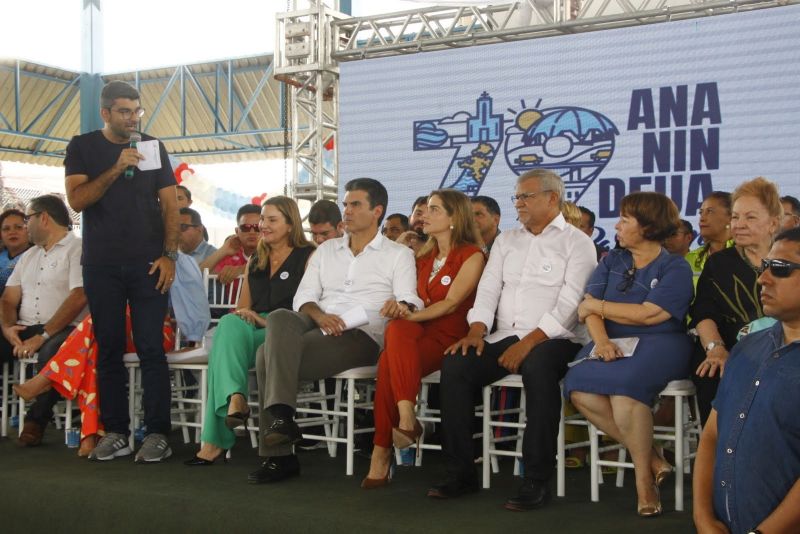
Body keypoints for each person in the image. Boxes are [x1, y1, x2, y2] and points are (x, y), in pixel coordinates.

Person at [428, 169, 596, 511]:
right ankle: (461, 473)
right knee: (456, 365)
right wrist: (476, 330)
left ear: (552, 198)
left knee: (538, 369)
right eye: (516, 197)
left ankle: (535, 479)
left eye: (526, 196)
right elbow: (489, 289)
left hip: (556, 337)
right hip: (504, 334)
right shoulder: (507, 241)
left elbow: (570, 303)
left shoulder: (577, 242)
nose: (518, 203)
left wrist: (531, 340)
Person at [248, 178, 423, 484]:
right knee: (279, 317)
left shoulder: (398, 254)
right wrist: (319, 315)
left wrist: (400, 304)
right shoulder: (328, 249)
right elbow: (304, 297)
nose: (347, 210)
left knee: (265, 356)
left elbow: (410, 297)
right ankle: (283, 419)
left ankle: (280, 452)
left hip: (362, 333)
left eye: (355, 204)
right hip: (319, 321)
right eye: (345, 204)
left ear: (377, 211)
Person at [65, 80, 179, 463]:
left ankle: (158, 432)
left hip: (149, 263)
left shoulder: (151, 146)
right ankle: (116, 432)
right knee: (109, 348)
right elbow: (78, 200)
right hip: (101, 265)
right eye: (125, 111)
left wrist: (169, 255)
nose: (133, 119)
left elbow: (170, 205)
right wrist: (116, 167)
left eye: (137, 111)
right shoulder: (82, 147)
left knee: (151, 347)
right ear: (106, 113)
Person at [564, 191, 694, 517]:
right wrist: (602, 341)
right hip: (612, 340)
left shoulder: (674, 267)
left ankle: (643, 482)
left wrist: (599, 307)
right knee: (579, 389)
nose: (617, 226)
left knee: (624, 393)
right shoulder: (612, 260)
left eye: (625, 220)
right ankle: (651, 459)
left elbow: (650, 314)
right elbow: (587, 310)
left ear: (648, 227)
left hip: (661, 342)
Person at [13, 251, 208, 457]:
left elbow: (195, 305)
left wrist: (194, 339)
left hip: (157, 332)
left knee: (97, 322)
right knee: (97, 347)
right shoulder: (110, 258)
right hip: (120, 332)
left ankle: (48, 379)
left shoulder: (175, 259)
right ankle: (91, 434)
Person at [362, 189, 485, 488]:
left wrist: (408, 315)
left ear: (455, 218)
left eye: (434, 209)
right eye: (425, 209)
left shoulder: (472, 254)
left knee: (389, 357)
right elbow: (409, 297)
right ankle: (406, 416)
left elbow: (452, 303)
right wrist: (400, 308)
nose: (424, 215)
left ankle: (381, 451)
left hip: (450, 334)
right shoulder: (422, 254)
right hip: (415, 332)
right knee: (396, 330)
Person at [185, 196, 314, 466]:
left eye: (270, 220)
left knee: (222, 351)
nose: (262, 227)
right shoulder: (257, 258)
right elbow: (243, 306)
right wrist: (248, 316)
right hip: (254, 326)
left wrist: (266, 321)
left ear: (290, 224)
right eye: (261, 221)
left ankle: (215, 441)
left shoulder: (308, 255)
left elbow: (310, 307)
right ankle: (235, 398)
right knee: (230, 324)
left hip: (287, 329)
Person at [693, 227, 800, 534]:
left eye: (780, 269)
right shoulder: (745, 349)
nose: (763, 278)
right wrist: (703, 520)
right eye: (764, 267)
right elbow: (712, 436)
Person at [690, 177, 782, 424]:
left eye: (750, 218)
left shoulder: (789, 260)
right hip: (732, 347)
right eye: (735, 217)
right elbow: (703, 312)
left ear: (773, 223)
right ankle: (720, 456)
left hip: (786, 346)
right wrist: (715, 348)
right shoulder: (719, 263)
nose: (739, 225)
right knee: (711, 371)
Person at [0, 195, 87, 447]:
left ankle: (36, 421)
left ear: (44, 218)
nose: (25, 225)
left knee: (52, 350)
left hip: (64, 328)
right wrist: (8, 329)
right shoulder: (29, 256)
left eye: (27, 219)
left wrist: (43, 335)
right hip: (24, 326)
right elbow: (8, 298)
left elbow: (79, 296)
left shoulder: (77, 248)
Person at [200, 204, 261, 283]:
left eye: (257, 228)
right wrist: (224, 250)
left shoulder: (273, 252)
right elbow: (197, 276)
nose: (252, 232)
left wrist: (241, 269)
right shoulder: (229, 256)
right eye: (245, 227)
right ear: (236, 231)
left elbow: (266, 265)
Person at [685, 191, 733, 283]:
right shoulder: (690, 259)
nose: (702, 218)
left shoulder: (744, 254)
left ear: (730, 217)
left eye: (710, 211)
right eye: (701, 212)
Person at [0, 208, 31, 293]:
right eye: (6, 229)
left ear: (28, 230)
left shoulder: (36, 256)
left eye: (18, 227)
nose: (12, 232)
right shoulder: (2, 254)